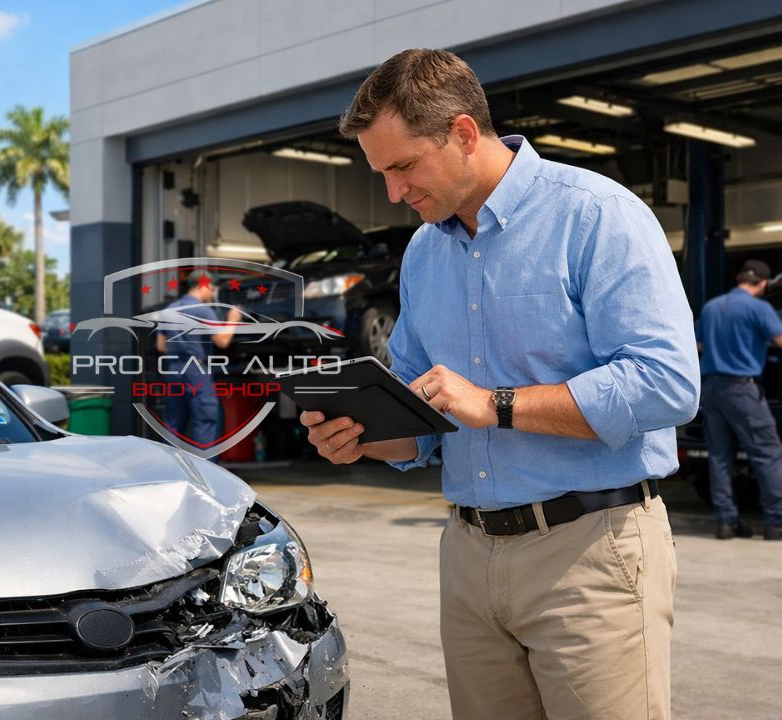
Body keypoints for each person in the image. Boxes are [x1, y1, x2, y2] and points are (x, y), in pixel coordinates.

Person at [300, 49, 700, 719]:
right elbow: (421, 421)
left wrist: (495, 405)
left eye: (402, 167)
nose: (393, 193)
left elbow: (665, 384)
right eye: (382, 174)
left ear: (461, 132)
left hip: (590, 554)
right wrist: (362, 438)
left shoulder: (597, 216)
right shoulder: (425, 252)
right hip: (468, 560)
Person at [695, 259, 782, 540]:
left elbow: (698, 345)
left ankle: (727, 522)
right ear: (763, 283)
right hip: (742, 390)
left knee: (719, 456)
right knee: (767, 453)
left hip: (712, 390)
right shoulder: (758, 308)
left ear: (740, 277)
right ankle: (778, 521)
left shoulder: (712, 307)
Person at [154, 271, 242, 447]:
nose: (212, 292)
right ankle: (204, 470)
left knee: (173, 424)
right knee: (204, 420)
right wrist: (233, 319)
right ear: (204, 286)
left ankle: (171, 469)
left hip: (173, 369)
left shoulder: (168, 310)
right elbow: (222, 341)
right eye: (212, 288)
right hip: (196, 371)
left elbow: (161, 346)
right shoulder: (203, 310)